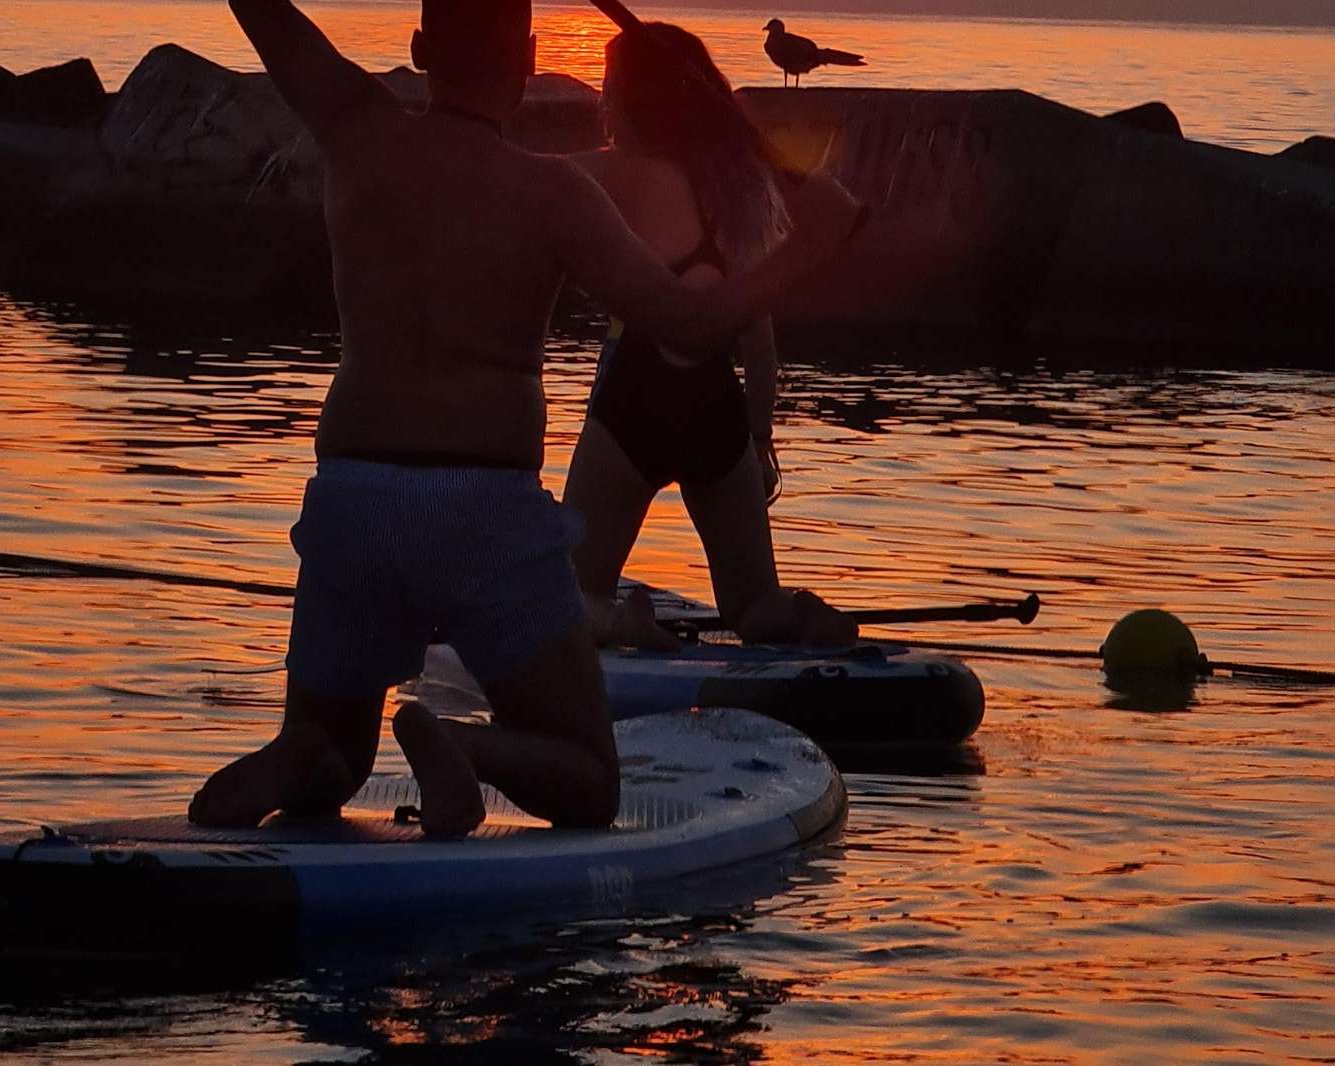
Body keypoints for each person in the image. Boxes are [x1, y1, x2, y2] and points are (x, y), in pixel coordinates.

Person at [186, 0, 862, 838]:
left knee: (334, 760)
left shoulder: (355, 126)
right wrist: (815, 241)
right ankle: (466, 753)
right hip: (486, 513)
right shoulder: (553, 192)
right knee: (588, 780)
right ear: (532, 56)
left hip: (352, 499)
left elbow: (268, 18)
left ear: (420, 47)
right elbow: (690, 326)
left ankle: (298, 753)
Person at [565, 22, 858, 651]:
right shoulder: (739, 189)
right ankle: (796, 615)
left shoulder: (620, 175)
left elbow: (524, 184)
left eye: (610, 88)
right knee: (753, 603)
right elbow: (760, 341)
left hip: (633, 403)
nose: (603, 102)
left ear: (631, 100)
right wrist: (758, 440)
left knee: (570, 595)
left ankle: (625, 624)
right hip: (716, 409)